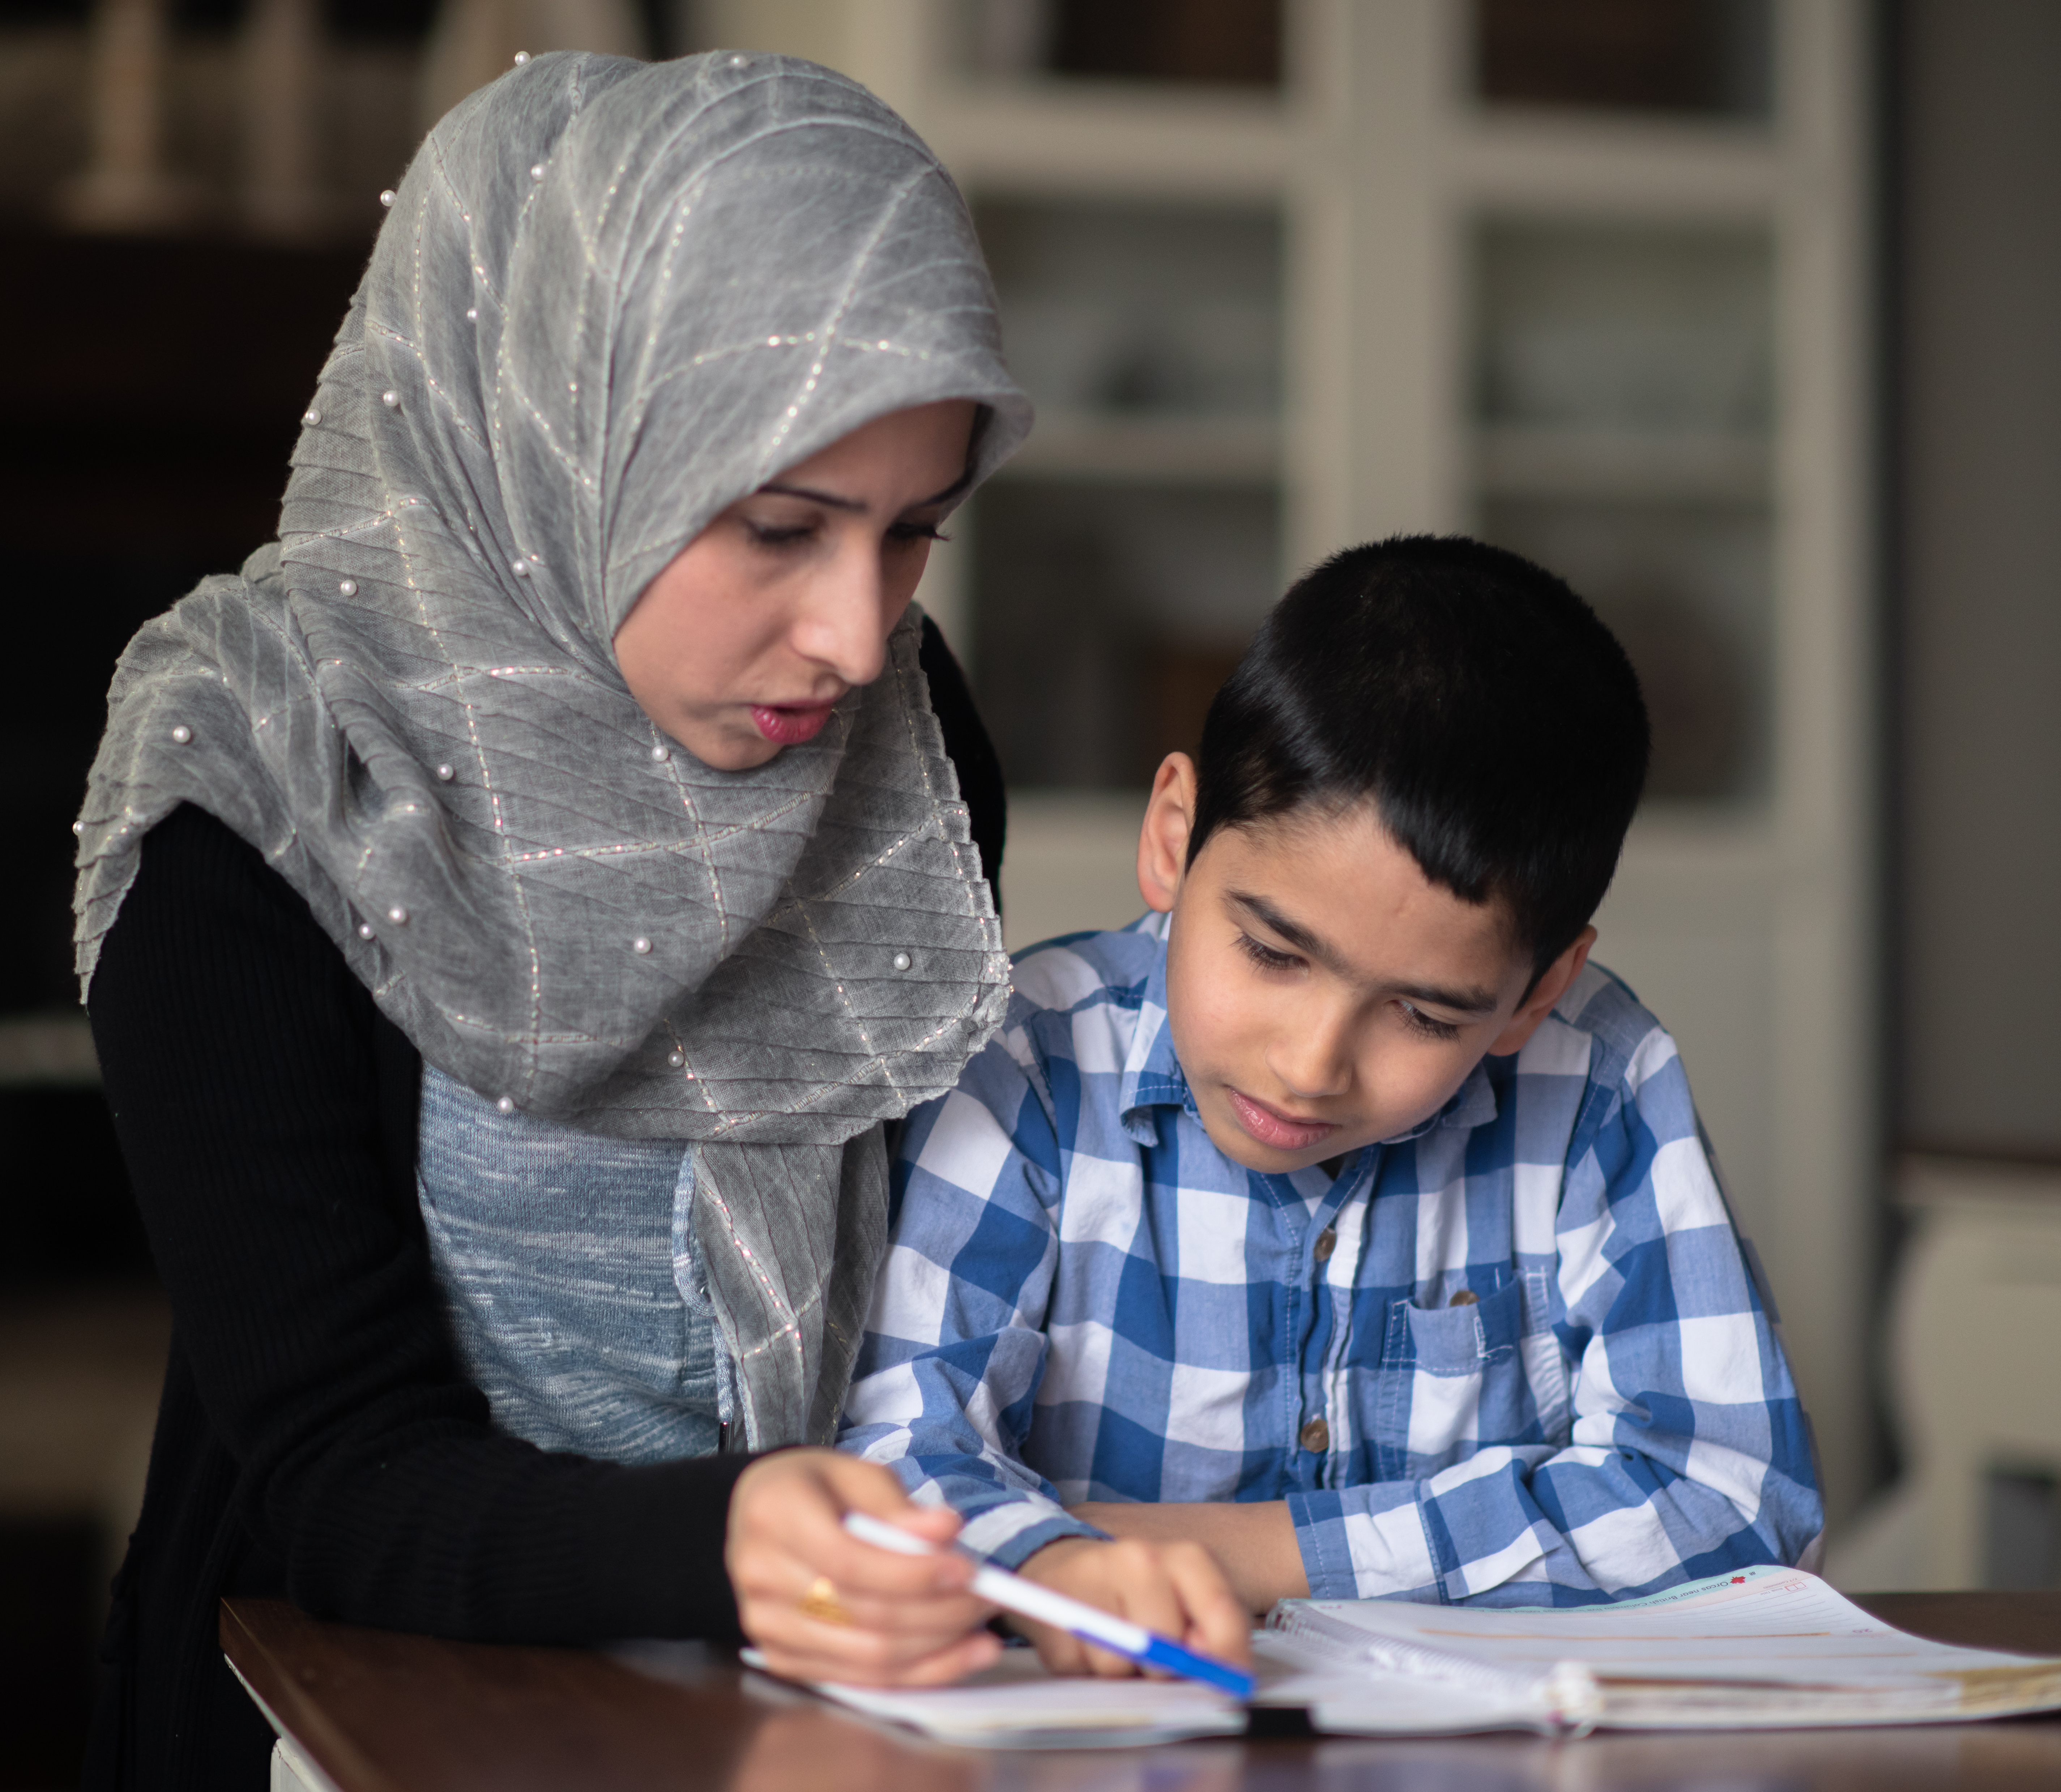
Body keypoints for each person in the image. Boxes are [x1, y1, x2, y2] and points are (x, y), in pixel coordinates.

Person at [73, 49, 1080, 1787]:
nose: (854, 634)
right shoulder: (262, 778)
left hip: (821, 1703)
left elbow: (939, 1307)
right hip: (345, 1720)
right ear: (556, 421)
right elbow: (339, 1480)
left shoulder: (903, 748)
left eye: (912, 532)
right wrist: (730, 1536)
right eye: (779, 526)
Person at [840, 537, 1825, 1670]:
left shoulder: (1595, 1078)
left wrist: (1213, 1553)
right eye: (1270, 952)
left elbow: (1737, 1498)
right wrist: (1060, 1565)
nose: (1311, 1065)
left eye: (1423, 1014)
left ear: (1534, 992)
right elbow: (889, 1458)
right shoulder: (1028, 1060)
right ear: (1173, 835)